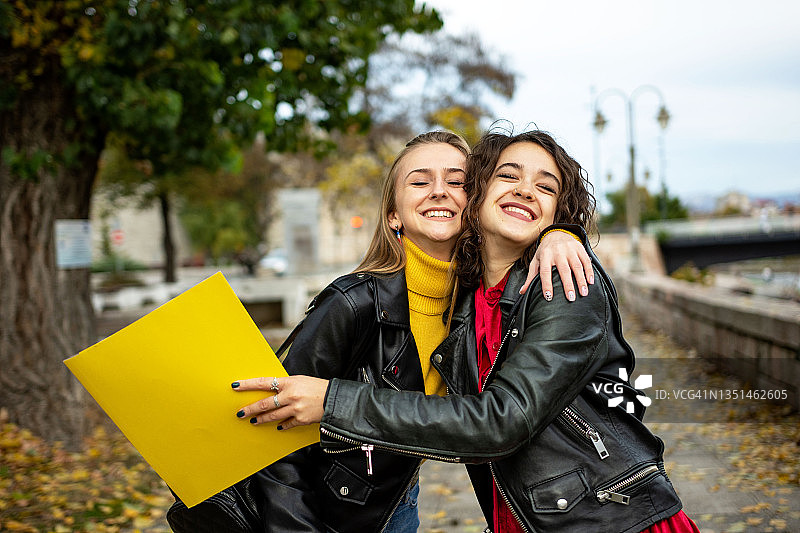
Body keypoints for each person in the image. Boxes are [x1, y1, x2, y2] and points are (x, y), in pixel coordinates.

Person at [237, 130, 699, 533]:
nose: (440, 192)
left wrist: (564, 235)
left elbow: (497, 420)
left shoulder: (544, 284)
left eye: (456, 182)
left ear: (470, 200)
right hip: (331, 512)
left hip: (598, 515)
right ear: (393, 214)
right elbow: (272, 421)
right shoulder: (366, 302)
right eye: (419, 182)